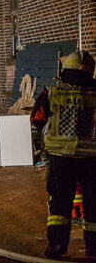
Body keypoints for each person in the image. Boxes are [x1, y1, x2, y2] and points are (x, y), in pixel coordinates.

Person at [43, 50, 96, 258]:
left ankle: (56, 246)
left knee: (59, 204)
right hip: (92, 159)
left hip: (60, 159)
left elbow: (38, 120)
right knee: (93, 204)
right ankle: (93, 249)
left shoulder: (51, 92)